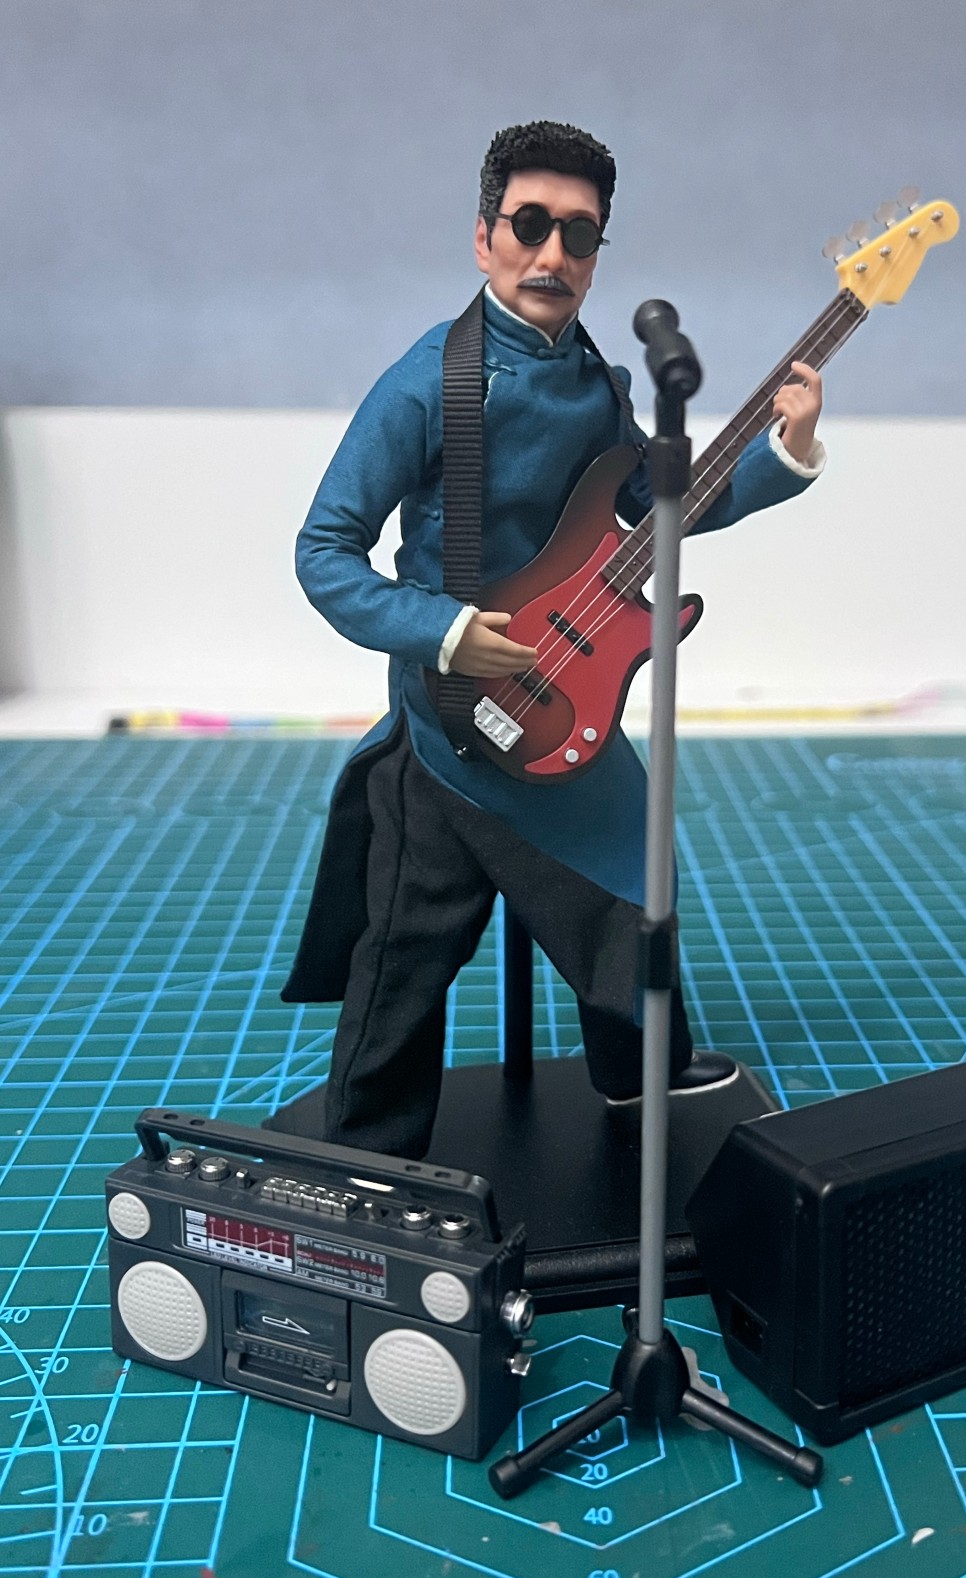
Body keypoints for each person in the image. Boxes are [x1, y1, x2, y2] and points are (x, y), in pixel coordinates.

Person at [282, 121, 826, 1157]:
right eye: (529, 225)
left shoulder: (599, 383)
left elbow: (660, 505)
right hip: (452, 718)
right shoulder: (426, 384)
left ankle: (641, 1077)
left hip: (569, 688)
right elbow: (325, 551)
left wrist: (782, 452)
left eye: (579, 235)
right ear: (482, 236)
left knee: (631, 885)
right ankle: (369, 1157)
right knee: (409, 949)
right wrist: (445, 632)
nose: (552, 255)